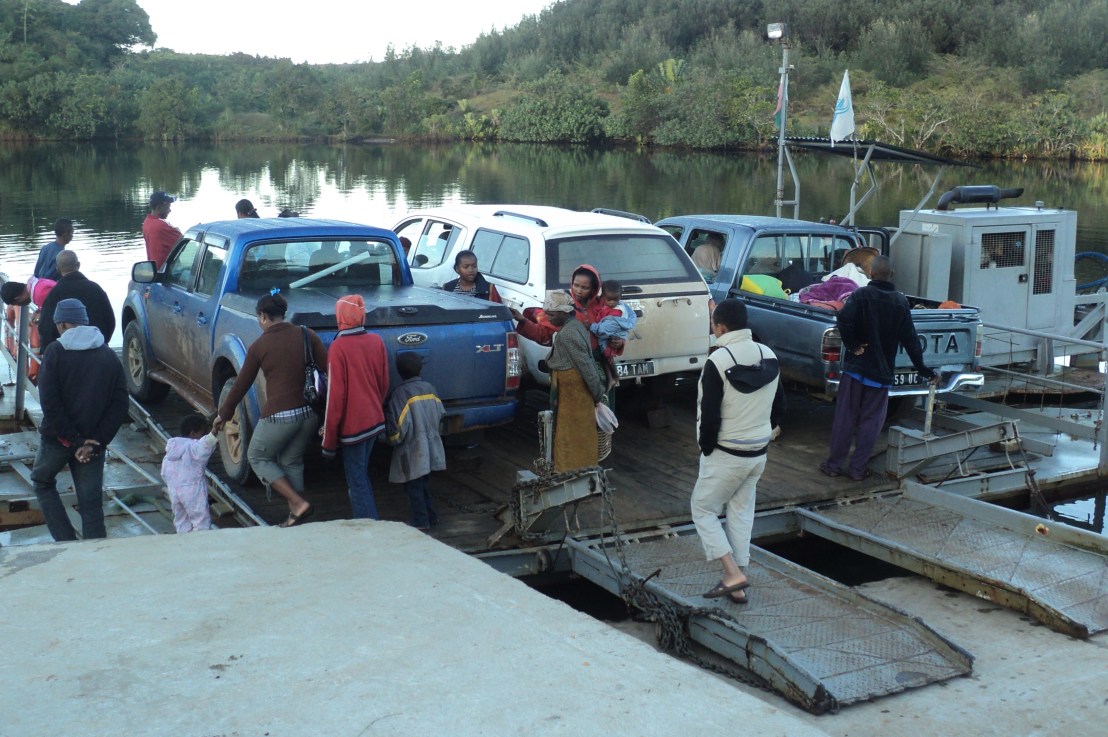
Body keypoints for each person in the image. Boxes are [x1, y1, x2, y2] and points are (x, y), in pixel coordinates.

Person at [691, 299, 785, 604]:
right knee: (742, 513)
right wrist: (764, 433)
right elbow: (780, 407)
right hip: (757, 452)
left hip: (726, 452)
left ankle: (733, 574)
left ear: (719, 327)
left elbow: (710, 416)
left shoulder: (716, 362)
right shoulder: (769, 356)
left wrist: (707, 450)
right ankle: (740, 583)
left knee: (703, 509)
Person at [213, 293, 326, 528]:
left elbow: (241, 384)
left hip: (280, 416)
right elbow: (329, 371)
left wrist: (223, 414)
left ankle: (298, 503)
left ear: (263, 317)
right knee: (291, 460)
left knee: (257, 456)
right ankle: (296, 517)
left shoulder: (260, 346)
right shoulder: (307, 334)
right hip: (310, 414)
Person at [820, 255, 937, 481]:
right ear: (891, 275)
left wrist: (853, 345)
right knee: (871, 423)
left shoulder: (861, 294)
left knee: (845, 418)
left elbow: (843, 319)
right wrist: (923, 369)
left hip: (856, 370)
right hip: (880, 374)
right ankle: (857, 470)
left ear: (871, 274)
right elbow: (911, 340)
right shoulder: (900, 302)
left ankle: (833, 466)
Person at [31, 298, 129, 541]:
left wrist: (75, 441)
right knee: (91, 502)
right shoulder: (108, 354)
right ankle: (95, 553)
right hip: (93, 444)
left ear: (62, 324)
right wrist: (95, 440)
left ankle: (66, 542)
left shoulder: (55, 352)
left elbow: (50, 405)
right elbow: (119, 404)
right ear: (84, 322)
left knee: (42, 481)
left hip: (59, 440)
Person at [321, 295, 390, 520]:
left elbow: (335, 399)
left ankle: (370, 527)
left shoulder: (338, 348)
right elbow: (383, 383)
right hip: (374, 420)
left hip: (354, 428)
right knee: (362, 474)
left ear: (340, 317)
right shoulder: (376, 341)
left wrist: (328, 443)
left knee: (357, 480)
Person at [543, 291, 607, 472]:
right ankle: (581, 470)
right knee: (578, 431)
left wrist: (597, 392)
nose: (548, 317)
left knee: (571, 433)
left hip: (574, 394)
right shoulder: (576, 326)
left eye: (551, 314)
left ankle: (571, 471)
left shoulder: (568, 334)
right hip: (574, 393)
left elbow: (586, 365)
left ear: (564, 313)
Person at [386, 352, 447, 530]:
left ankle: (421, 521)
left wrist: (390, 440)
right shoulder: (430, 388)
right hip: (431, 445)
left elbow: (398, 429)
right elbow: (441, 414)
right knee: (425, 484)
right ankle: (432, 516)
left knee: (413, 487)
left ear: (398, 371)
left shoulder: (399, 394)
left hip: (412, 449)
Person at [37, 251, 115, 351]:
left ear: (57, 269)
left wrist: (50, 351)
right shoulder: (96, 289)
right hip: (96, 349)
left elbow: (45, 327)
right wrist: (102, 344)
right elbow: (110, 321)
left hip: (65, 353)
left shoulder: (54, 293)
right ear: (78, 265)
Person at [161, 415, 219, 533]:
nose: (203, 436)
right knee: (200, 519)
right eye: (203, 433)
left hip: (174, 490)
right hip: (192, 489)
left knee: (181, 519)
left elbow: (164, 472)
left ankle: (184, 541)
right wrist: (214, 430)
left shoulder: (172, 449)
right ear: (193, 433)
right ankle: (200, 544)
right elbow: (204, 446)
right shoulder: (193, 446)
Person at [2, 277, 57, 381]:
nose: (19, 306)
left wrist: (42, 317)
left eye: (17, 304)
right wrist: (40, 310)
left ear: (18, 299)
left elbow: (54, 312)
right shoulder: (35, 284)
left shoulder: (39, 294)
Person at [590, 280, 637, 388]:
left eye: (615, 299)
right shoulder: (604, 304)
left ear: (620, 297)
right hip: (609, 335)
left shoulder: (616, 310)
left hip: (610, 335)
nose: (611, 302)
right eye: (609, 299)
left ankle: (614, 377)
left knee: (607, 356)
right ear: (602, 296)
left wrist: (591, 326)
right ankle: (612, 377)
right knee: (606, 357)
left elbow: (604, 330)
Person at [142, 191, 182, 269]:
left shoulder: (147, 222)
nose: (170, 210)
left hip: (156, 270)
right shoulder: (161, 226)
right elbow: (184, 241)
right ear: (159, 207)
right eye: (167, 207)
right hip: (167, 272)